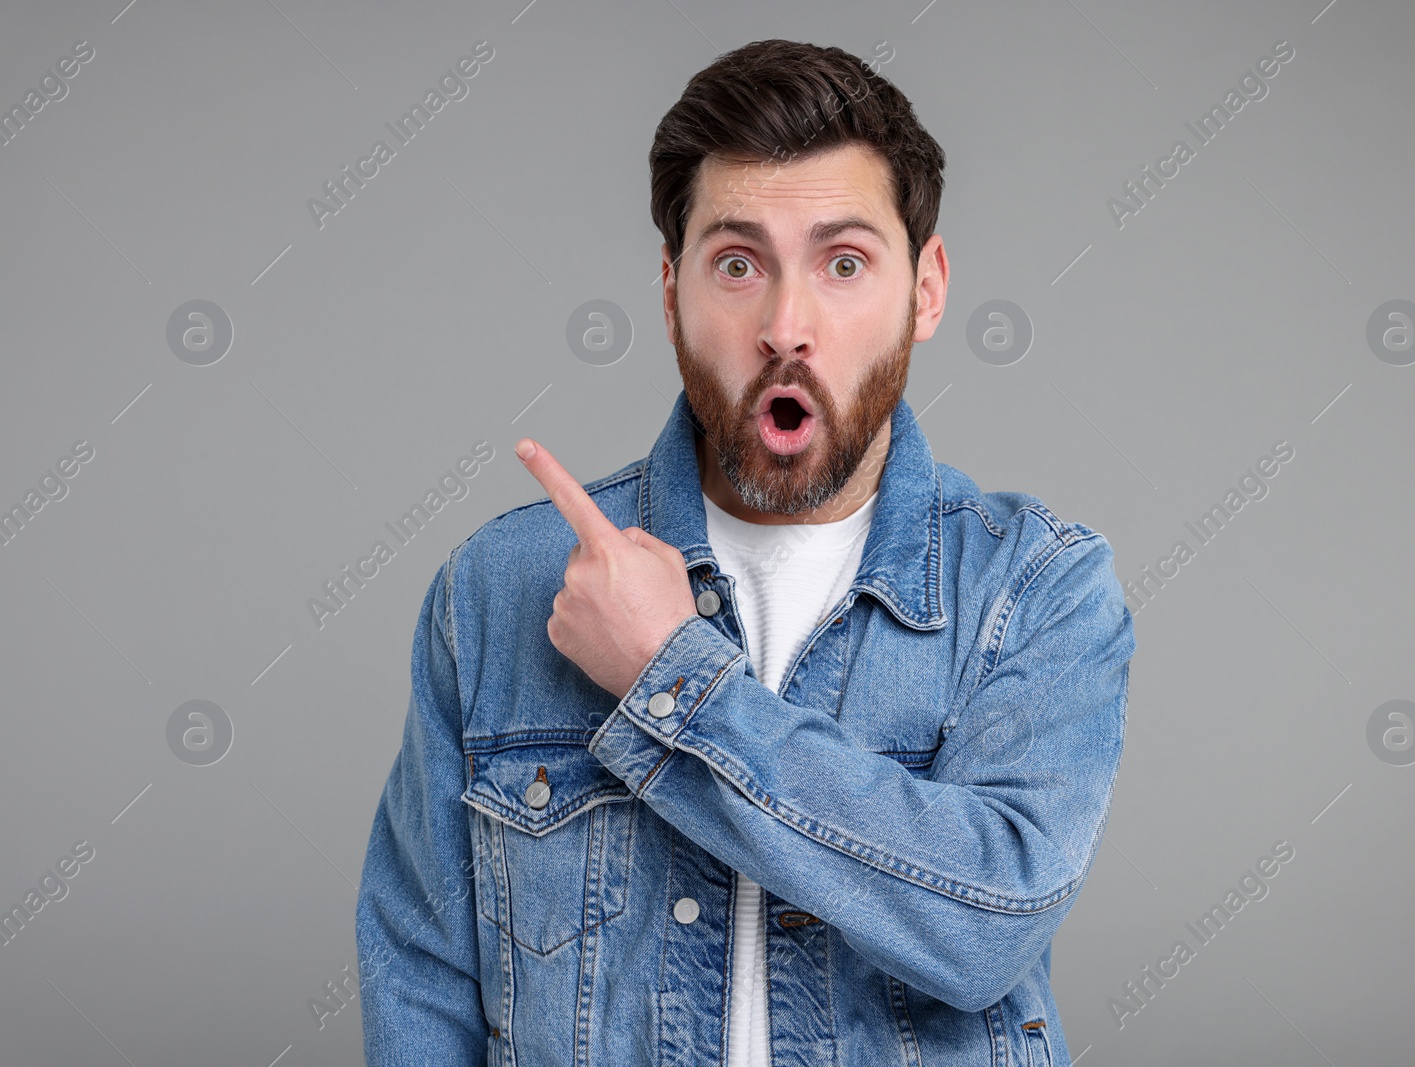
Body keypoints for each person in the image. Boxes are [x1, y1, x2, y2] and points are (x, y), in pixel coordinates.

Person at [355, 37, 1135, 1066]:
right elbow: (420, 974)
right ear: (672, 290)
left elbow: (984, 924)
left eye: (843, 262)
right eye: (736, 263)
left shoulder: (1037, 591)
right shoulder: (502, 587)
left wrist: (668, 677)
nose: (785, 324)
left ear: (927, 288)